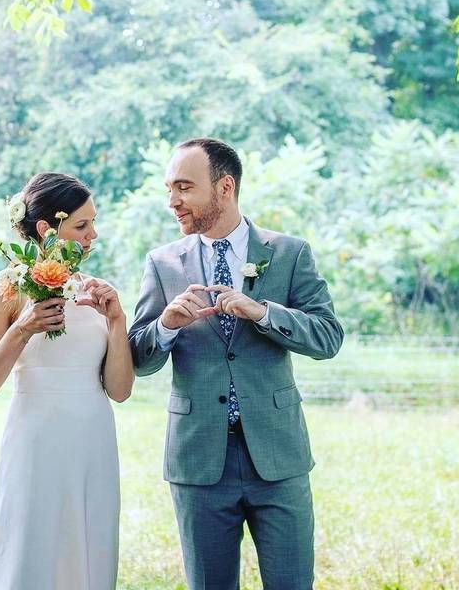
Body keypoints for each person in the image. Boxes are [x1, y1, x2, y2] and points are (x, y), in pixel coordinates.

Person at [128, 137, 344, 589]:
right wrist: (166, 325)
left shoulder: (289, 254)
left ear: (224, 187)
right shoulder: (163, 263)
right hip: (199, 462)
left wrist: (262, 312)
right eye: (170, 189)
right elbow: (138, 360)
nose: (173, 201)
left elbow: (328, 338)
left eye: (184, 188)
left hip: (278, 457)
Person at [0, 172, 134, 590]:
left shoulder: (94, 293)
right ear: (46, 228)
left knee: (88, 550)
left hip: (92, 439)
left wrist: (116, 320)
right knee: (30, 546)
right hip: (35, 439)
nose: (93, 235)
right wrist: (22, 328)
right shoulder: (10, 286)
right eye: (82, 225)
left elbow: (120, 390)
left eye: (93, 223)